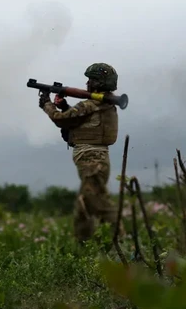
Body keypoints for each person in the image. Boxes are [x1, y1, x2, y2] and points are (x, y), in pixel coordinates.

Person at [38, 62, 120, 242]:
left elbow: (60, 119)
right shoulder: (106, 105)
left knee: (99, 203)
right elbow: (80, 122)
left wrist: (47, 104)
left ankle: (121, 243)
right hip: (96, 159)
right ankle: (85, 247)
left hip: (92, 160)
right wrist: (66, 106)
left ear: (97, 83)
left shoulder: (90, 105)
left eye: (90, 80)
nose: (87, 84)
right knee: (84, 207)